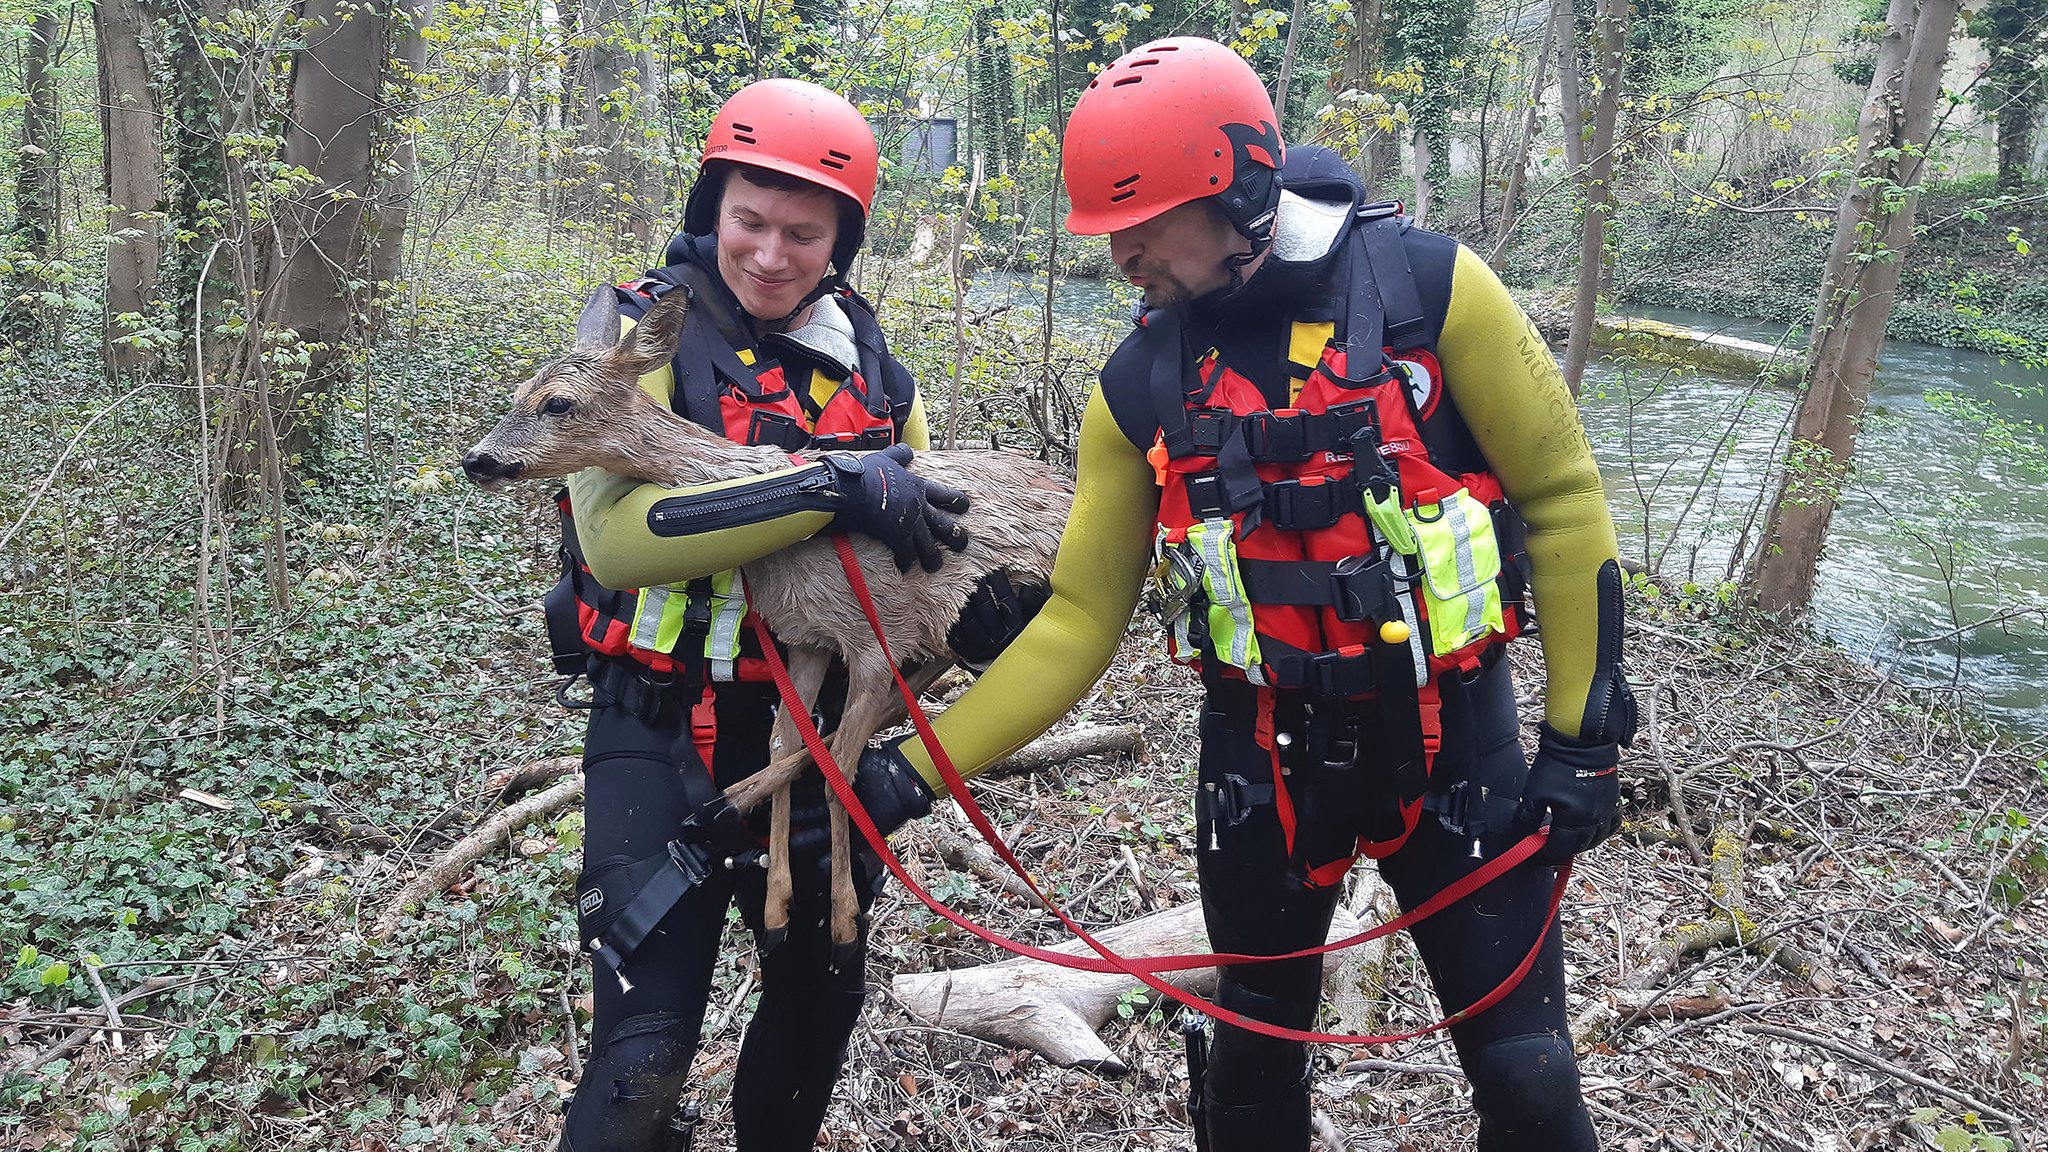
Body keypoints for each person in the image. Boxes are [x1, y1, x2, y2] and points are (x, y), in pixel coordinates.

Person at [832, 37, 1638, 1150]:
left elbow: (1561, 496)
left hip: (1460, 751)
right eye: (1108, 230)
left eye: (1144, 224)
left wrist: (1582, 738)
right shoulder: (1138, 383)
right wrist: (904, 775)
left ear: (1236, 191)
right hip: (1262, 771)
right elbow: (1077, 619)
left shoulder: (1430, 291)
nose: (1121, 255)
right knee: (1251, 1086)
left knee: (1531, 1081)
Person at [546, 78, 1038, 1152]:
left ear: (841, 241)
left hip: (816, 739)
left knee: (817, 1007)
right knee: (640, 1053)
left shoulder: (872, 369)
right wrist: (827, 484)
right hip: (655, 726)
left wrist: (931, 676)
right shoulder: (638, 342)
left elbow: (915, 578)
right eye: (748, 222)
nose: (770, 254)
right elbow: (615, 543)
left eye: (803, 234)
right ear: (709, 209)